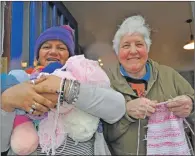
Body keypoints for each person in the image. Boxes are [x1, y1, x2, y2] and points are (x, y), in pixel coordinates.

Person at [1, 25, 126, 155]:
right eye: (46, 47)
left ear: (70, 57)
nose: (53, 52)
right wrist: (6, 102)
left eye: (61, 48)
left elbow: (117, 109)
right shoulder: (20, 82)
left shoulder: (85, 78)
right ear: (37, 56)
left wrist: (66, 88)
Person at [102, 15, 194, 155]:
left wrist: (191, 104)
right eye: (126, 45)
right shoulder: (106, 82)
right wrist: (125, 112)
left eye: (139, 44)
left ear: (147, 48)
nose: (133, 51)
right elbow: (102, 134)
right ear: (118, 52)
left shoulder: (169, 75)